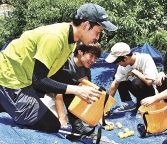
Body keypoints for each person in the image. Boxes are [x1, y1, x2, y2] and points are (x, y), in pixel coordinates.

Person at [0, 3, 117, 133]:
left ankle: (76, 124)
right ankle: (5, 101)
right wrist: (76, 90)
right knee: (50, 125)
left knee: (70, 85)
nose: (97, 38)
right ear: (86, 25)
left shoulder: (71, 40)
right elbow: (39, 80)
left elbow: (61, 75)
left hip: (25, 77)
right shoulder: (55, 38)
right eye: (98, 32)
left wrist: (81, 86)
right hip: (10, 78)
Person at [50, 42, 101, 135]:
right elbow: (58, 92)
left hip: (65, 91)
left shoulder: (86, 68)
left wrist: (98, 116)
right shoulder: (65, 65)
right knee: (53, 123)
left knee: (83, 90)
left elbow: (88, 90)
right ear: (80, 52)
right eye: (91, 56)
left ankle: (76, 124)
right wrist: (62, 118)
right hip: (47, 92)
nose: (94, 60)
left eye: (96, 57)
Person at [105, 42, 158, 111]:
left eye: (118, 62)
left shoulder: (145, 58)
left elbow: (149, 82)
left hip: (152, 92)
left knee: (136, 82)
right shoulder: (122, 67)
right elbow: (115, 84)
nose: (118, 64)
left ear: (125, 58)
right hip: (138, 90)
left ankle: (145, 106)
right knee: (118, 78)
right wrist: (106, 106)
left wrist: (135, 72)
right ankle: (129, 103)